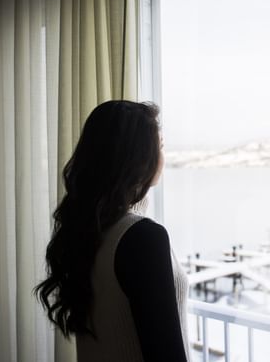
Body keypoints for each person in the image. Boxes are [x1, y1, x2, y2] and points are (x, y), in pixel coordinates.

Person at [35, 100, 189, 362]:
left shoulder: (87, 230)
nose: (164, 156)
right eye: (160, 147)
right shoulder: (143, 238)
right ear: (140, 158)